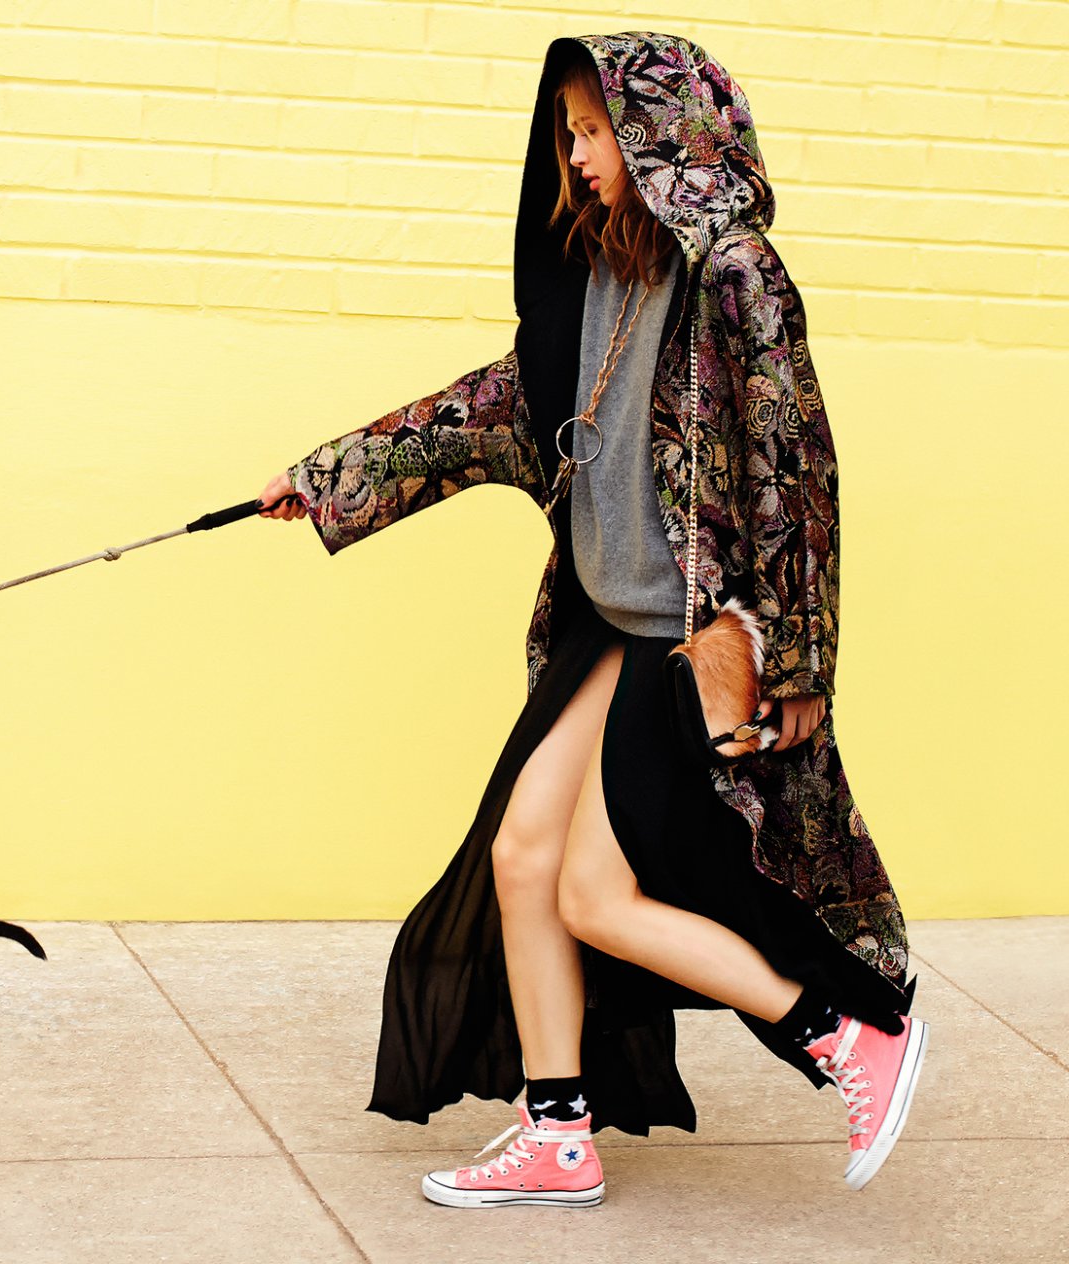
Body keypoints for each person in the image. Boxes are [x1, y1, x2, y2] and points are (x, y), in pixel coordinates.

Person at [258, 32, 925, 1207]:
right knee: (525, 857)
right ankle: (557, 1133)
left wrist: (805, 659)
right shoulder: (593, 276)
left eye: (593, 129)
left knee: (593, 895)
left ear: (665, 126)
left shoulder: (735, 276)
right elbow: (492, 408)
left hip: (683, 646)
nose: (574, 155)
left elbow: (797, 466)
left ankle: (847, 1037)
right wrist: (331, 476)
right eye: (564, 132)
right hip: (605, 627)